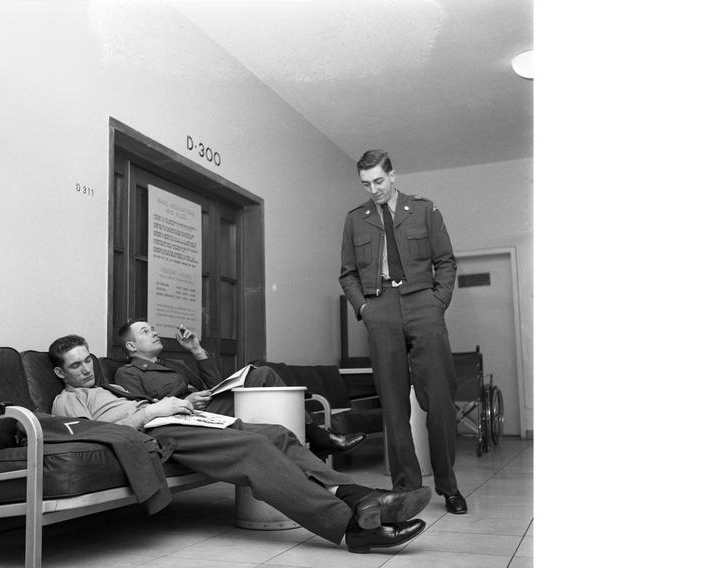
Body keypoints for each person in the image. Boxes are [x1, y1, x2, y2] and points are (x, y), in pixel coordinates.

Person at [49, 334, 432, 554]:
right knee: (253, 449)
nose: (86, 370)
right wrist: (150, 412)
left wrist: (171, 405)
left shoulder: (108, 387)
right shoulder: (68, 400)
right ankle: (351, 527)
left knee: (277, 434)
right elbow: (97, 434)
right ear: (59, 372)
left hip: (176, 417)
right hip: (156, 432)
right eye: (75, 366)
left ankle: (358, 494)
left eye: (87, 361)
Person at [339, 149, 467, 514]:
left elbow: (446, 261)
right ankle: (408, 488)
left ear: (393, 176)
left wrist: (437, 301)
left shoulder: (424, 210)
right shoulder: (355, 220)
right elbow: (347, 273)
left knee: (439, 399)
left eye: (379, 181)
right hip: (380, 308)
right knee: (393, 405)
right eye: (366, 184)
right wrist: (364, 309)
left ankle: (448, 486)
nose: (374, 189)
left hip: (422, 303)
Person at [112, 319, 365, 456]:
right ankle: (318, 437)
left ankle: (310, 443)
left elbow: (213, 386)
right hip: (186, 422)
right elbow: (142, 412)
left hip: (209, 409)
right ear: (132, 347)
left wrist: (197, 351)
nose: (154, 333)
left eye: (153, 329)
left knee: (262, 374)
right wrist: (188, 401)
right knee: (264, 375)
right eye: (146, 332)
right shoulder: (128, 373)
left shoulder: (176, 363)